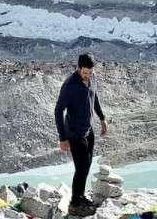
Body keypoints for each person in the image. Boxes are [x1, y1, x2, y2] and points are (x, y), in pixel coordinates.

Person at [54, 53, 108, 216]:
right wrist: (62, 138)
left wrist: (102, 118)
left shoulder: (92, 78)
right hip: (74, 132)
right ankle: (74, 204)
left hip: (88, 130)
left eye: (90, 72)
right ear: (79, 68)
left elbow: (94, 96)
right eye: (85, 72)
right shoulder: (70, 85)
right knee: (81, 168)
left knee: (87, 165)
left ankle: (81, 196)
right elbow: (58, 111)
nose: (88, 75)